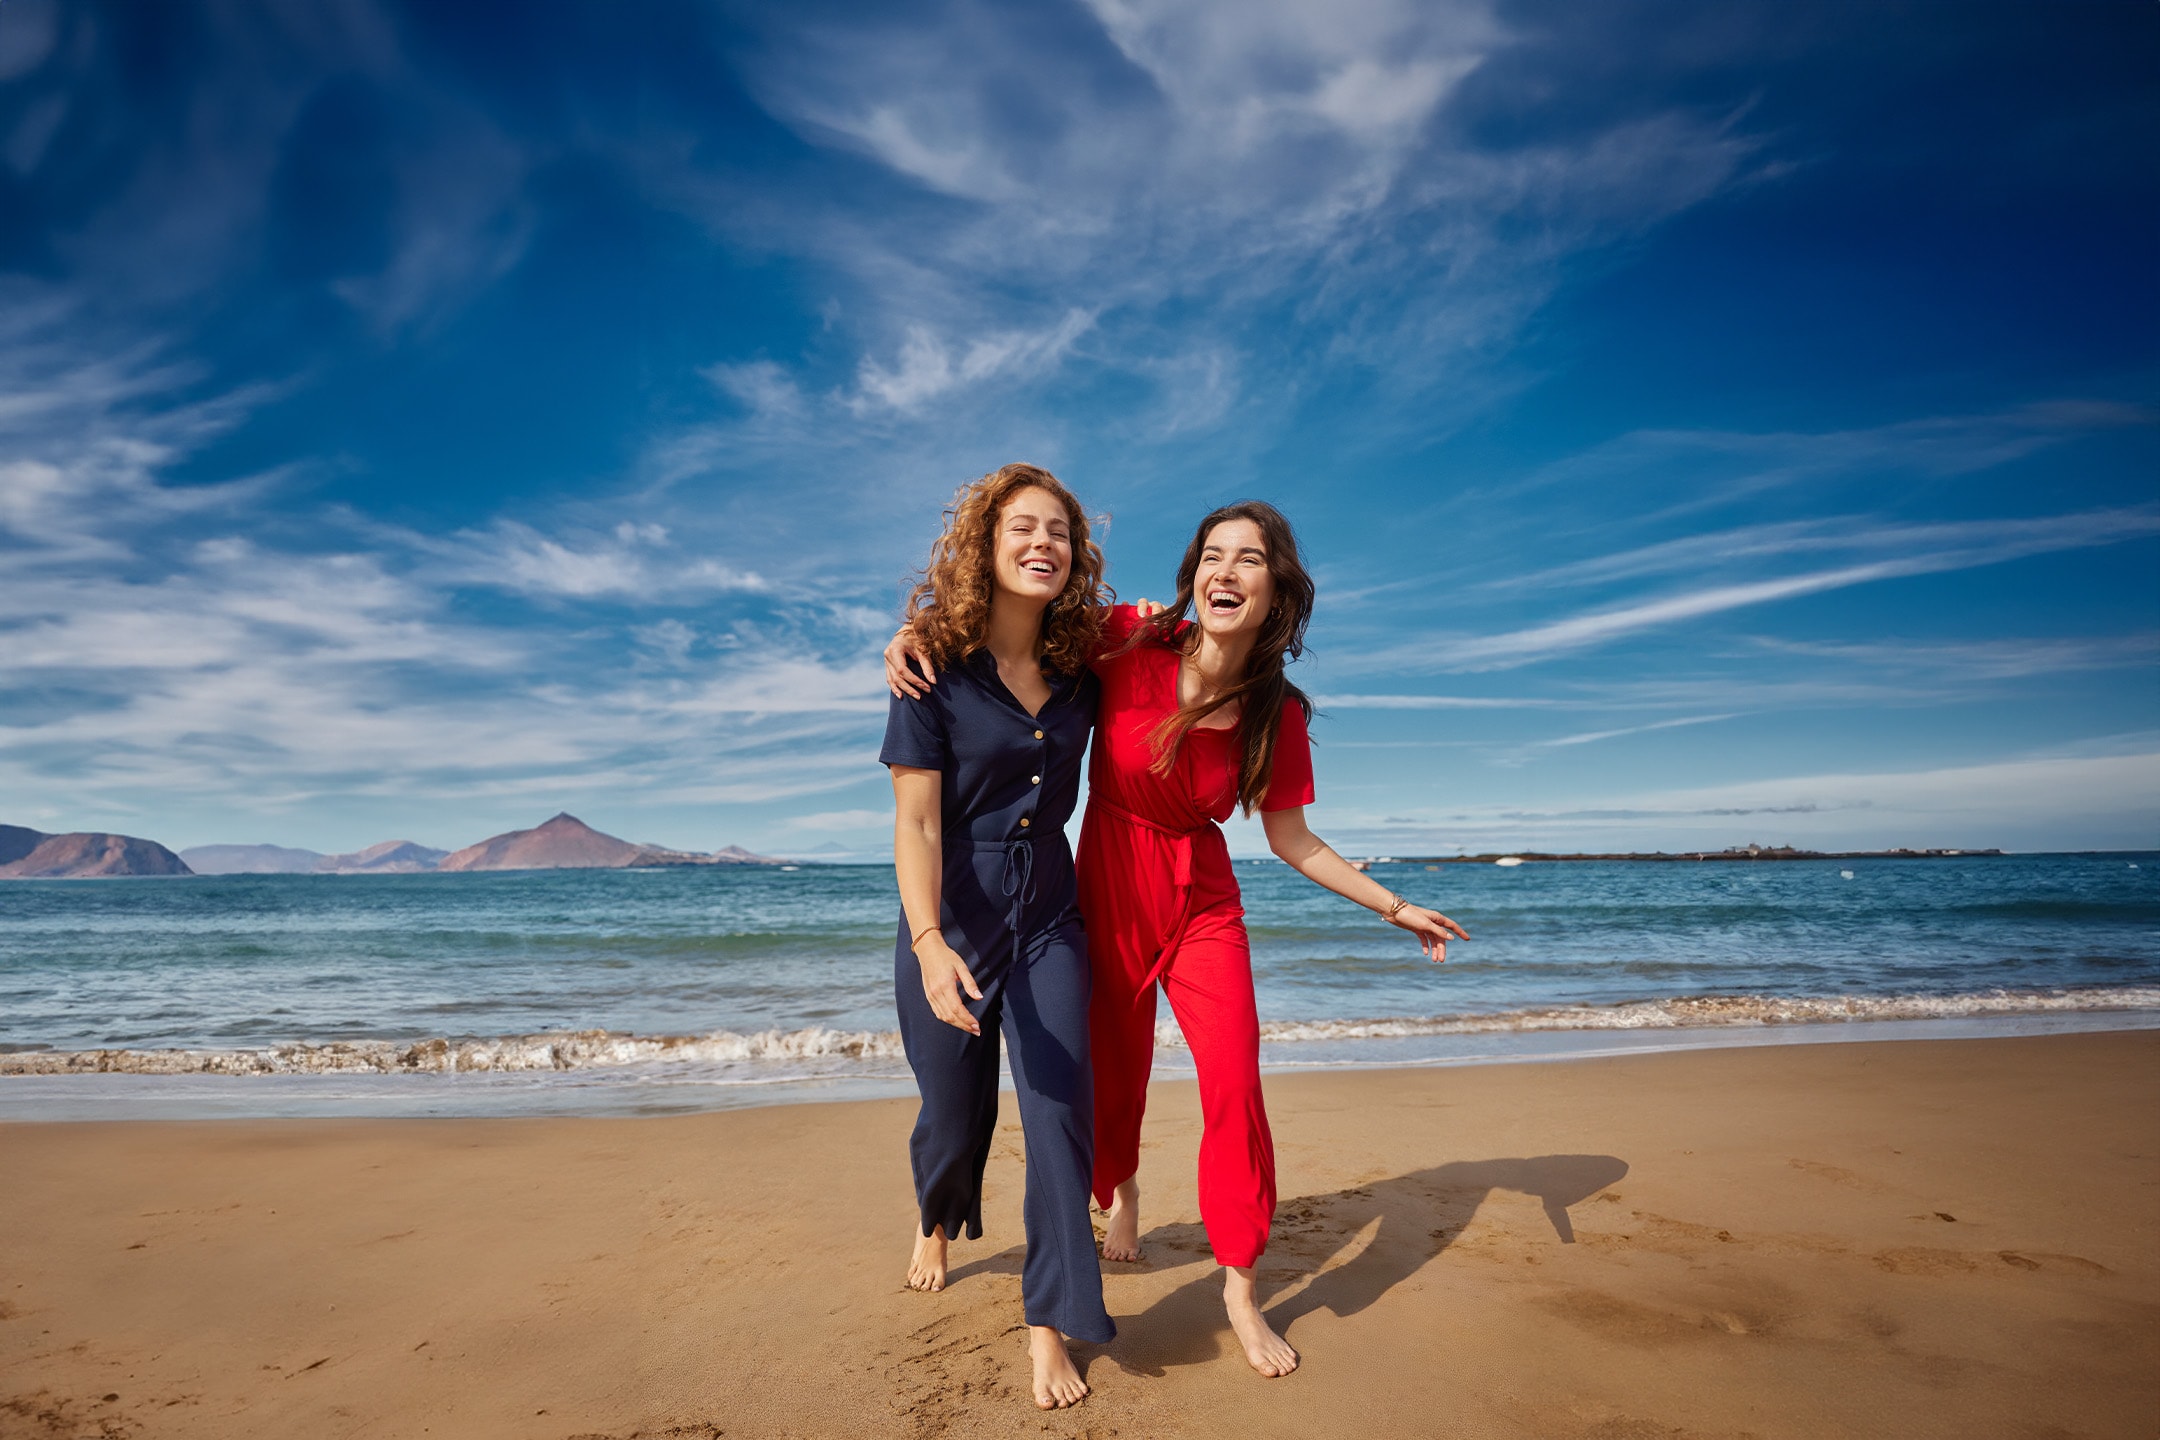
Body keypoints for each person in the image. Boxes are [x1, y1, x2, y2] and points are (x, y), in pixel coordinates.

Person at [888, 500, 1468, 1380]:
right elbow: (1011, 618)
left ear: (1277, 590)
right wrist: (912, 637)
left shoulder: (1278, 710)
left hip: (1203, 898)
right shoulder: (1128, 639)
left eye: (1249, 560)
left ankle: (1240, 1284)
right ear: (1193, 573)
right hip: (1109, 880)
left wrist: (1394, 907)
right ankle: (1113, 1198)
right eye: (1212, 555)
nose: (1225, 571)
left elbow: (1293, 839)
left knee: (1235, 1079)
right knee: (1107, 1081)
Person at [880, 462, 1115, 1411]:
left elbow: (1186, 621)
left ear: (1076, 553)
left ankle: (1049, 1323)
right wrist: (932, 942)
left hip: (1050, 906)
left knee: (1058, 1107)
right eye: (1022, 528)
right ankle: (939, 1214)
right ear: (986, 543)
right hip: (953, 906)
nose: (1041, 544)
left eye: (1057, 531)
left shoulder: (1084, 662)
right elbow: (918, 823)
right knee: (950, 1103)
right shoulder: (930, 665)